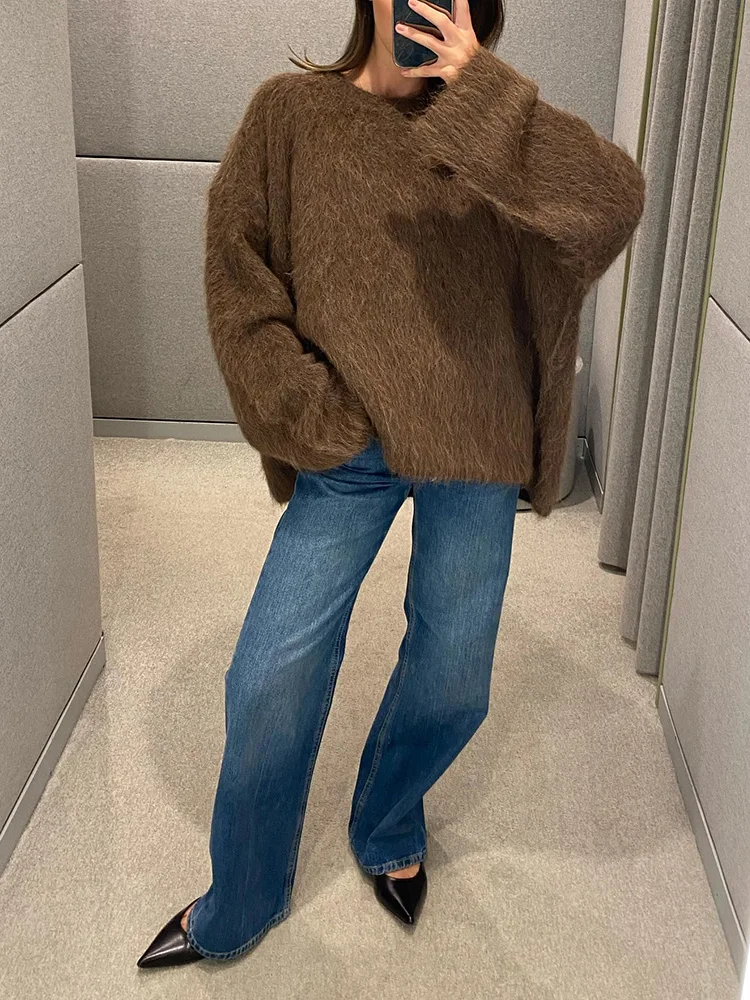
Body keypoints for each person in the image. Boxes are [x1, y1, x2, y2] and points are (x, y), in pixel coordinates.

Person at [137, 0, 645, 969]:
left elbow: (614, 203)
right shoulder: (293, 114)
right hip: (350, 448)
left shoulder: (493, 124)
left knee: (455, 671)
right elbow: (239, 278)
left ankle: (387, 818)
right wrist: (310, 413)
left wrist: (484, 96)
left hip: (477, 439)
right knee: (268, 674)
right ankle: (243, 891)